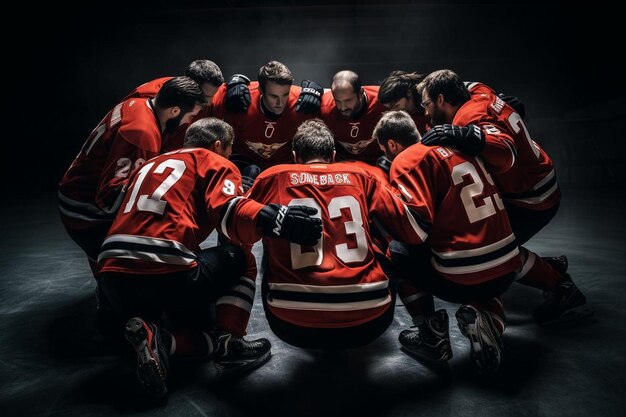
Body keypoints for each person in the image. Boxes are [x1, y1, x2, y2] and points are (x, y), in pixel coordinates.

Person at [97, 117, 322, 397]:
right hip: (168, 274)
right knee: (242, 258)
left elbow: (115, 205)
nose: (229, 156)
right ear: (218, 145)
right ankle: (231, 342)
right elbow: (229, 212)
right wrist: (273, 218)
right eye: (228, 150)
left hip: (110, 279)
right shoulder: (214, 161)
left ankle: (159, 339)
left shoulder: (152, 163)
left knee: (190, 322)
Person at [418, 69, 590, 325]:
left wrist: (467, 135)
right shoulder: (475, 89)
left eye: (426, 104)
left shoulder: (468, 116)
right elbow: (493, 102)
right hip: (533, 182)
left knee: (489, 252)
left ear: (442, 98)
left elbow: (505, 152)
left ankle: (560, 286)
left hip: (531, 197)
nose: (425, 112)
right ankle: (545, 267)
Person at [246, 119, 425, 350]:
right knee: (395, 243)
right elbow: (412, 229)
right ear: (332, 155)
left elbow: (234, 223)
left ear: (295, 156)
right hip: (370, 319)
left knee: (256, 242)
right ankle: (427, 327)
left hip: (290, 322)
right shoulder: (363, 175)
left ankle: (230, 338)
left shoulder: (272, 176)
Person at [373, 110, 521, 375]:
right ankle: (490, 322)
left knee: (393, 249)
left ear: (392, 145)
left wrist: (385, 197)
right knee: (486, 274)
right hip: (508, 267)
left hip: (464, 275)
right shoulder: (456, 144)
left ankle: (430, 334)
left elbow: (415, 232)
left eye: (384, 149)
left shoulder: (407, 159)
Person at [58, 77, 208, 328]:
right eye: (188, 116)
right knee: (158, 219)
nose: (188, 122)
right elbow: (109, 199)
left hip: (73, 195)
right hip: (85, 213)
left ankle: (109, 286)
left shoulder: (138, 102)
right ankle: (120, 295)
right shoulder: (142, 134)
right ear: (173, 110)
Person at [212, 61, 323, 172]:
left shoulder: (303, 102)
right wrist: (232, 82)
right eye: (273, 96)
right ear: (260, 90)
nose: (280, 102)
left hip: (285, 168)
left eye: (285, 95)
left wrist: (320, 92)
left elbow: (333, 102)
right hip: (243, 164)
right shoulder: (239, 100)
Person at [123, 59, 228, 152]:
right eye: (205, 96)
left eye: (212, 96)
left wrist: (239, 81)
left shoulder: (206, 93)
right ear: (190, 84)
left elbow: (226, 90)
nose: (209, 102)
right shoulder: (148, 96)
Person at [319, 70, 386, 164]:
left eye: (348, 101)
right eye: (337, 101)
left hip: (376, 165)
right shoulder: (323, 107)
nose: (342, 107)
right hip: (340, 167)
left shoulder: (383, 102)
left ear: (361, 93)